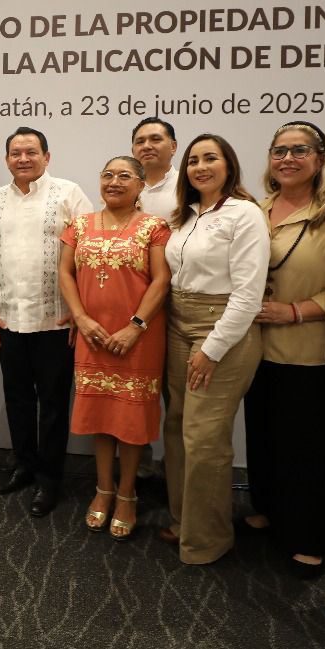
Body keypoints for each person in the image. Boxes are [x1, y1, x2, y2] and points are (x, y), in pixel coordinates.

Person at [243, 121, 325, 578]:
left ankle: (311, 538)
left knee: (310, 447)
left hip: (310, 351)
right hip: (255, 349)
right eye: (279, 151)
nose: (287, 159)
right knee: (266, 436)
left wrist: (296, 311)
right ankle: (270, 510)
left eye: (299, 150)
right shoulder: (257, 209)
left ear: (320, 159)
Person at [161, 133, 269, 563]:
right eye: (194, 161)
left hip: (222, 328)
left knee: (204, 437)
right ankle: (184, 520)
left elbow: (248, 295)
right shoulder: (185, 215)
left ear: (229, 166)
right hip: (178, 324)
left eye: (211, 158)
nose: (201, 167)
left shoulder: (244, 214)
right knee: (177, 426)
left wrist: (212, 348)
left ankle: (207, 540)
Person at [0, 127, 92, 517]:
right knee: (17, 399)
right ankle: (23, 465)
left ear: (47, 156)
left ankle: (50, 479)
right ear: (7, 159)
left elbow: (89, 254)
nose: (23, 159)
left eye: (31, 152)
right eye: (15, 153)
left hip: (55, 321)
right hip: (8, 319)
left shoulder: (69, 194)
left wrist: (79, 310)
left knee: (54, 404)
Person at [58, 155, 170, 540]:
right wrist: (81, 318)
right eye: (108, 175)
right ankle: (103, 489)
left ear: (141, 185)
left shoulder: (155, 227)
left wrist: (135, 327)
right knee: (100, 417)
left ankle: (127, 494)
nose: (114, 182)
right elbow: (65, 273)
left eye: (124, 176)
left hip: (138, 338)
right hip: (92, 336)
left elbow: (161, 280)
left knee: (131, 421)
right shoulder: (79, 226)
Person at [130, 117, 180, 479]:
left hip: (177, 302)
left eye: (156, 139)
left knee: (175, 396)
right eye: (140, 141)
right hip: (132, 304)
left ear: (173, 147)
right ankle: (138, 469)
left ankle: (177, 477)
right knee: (133, 391)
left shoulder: (188, 187)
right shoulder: (125, 185)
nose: (147, 146)